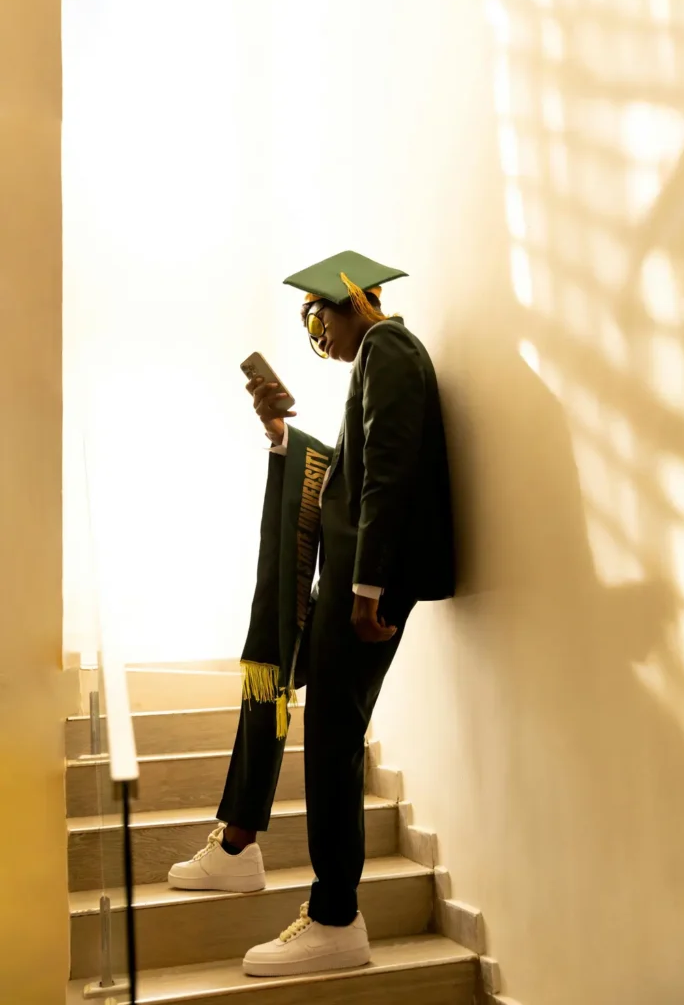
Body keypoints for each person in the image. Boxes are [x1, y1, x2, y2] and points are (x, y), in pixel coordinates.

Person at [168, 250, 455, 977]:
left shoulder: (388, 347)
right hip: (355, 579)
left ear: (352, 300)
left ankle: (335, 916)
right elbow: (350, 470)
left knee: (331, 739)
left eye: (316, 316)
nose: (314, 333)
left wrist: (365, 593)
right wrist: (280, 432)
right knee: (278, 686)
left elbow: (386, 470)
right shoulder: (379, 362)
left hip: (367, 587)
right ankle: (240, 846)